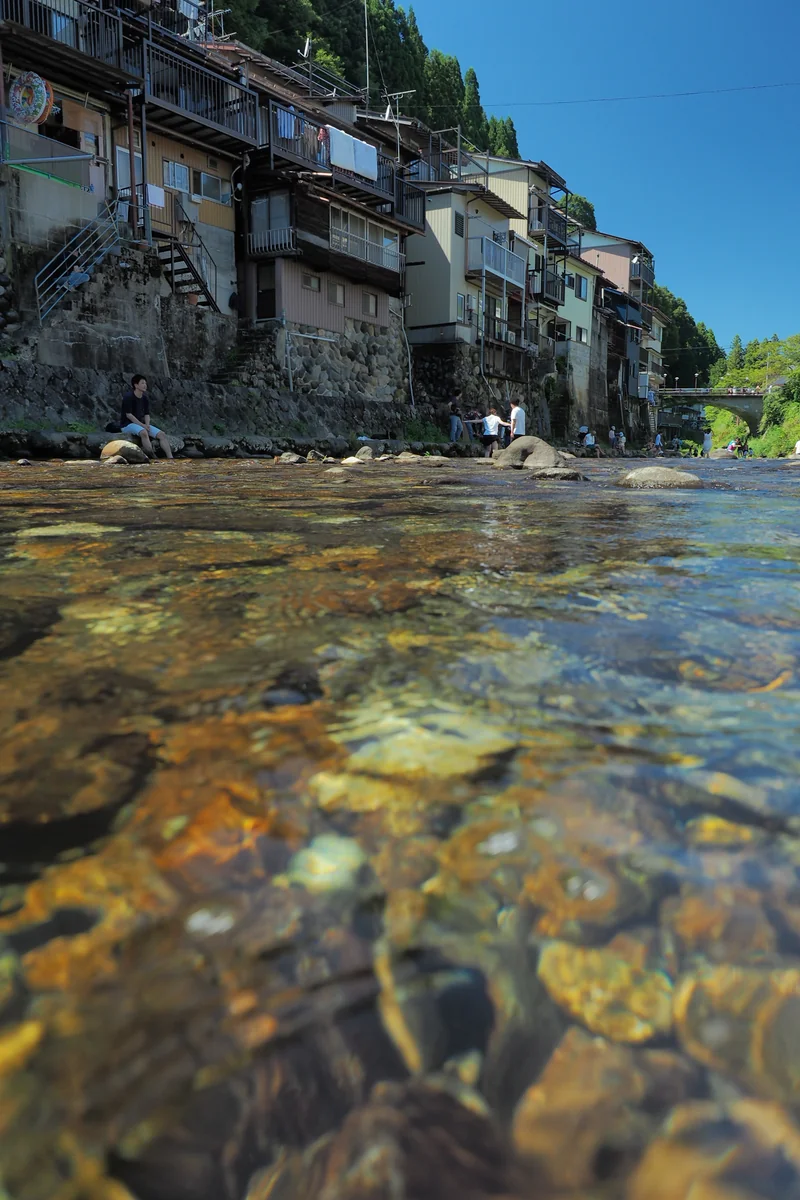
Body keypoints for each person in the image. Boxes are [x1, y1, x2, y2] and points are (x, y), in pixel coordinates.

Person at [120, 375, 174, 459]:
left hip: (142, 424)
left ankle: (170, 458)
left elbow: (147, 414)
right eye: (142, 383)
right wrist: (143, 425)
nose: (145, 385)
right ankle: (153, 457)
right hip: (127, 424)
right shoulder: (128, 397)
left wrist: (147, 424)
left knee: (162, 435)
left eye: (145, 383)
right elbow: (129, 415)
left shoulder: (144, 398)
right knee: (144, 432)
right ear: (136, 385)